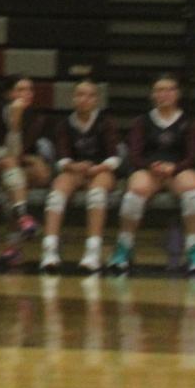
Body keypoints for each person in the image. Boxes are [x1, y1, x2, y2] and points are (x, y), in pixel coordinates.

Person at [110, 73, 195, 276]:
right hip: (150, 169)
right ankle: (124, 247)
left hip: (177, 169)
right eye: (159, 90)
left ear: (177, 93)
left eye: (169, 89)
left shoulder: (187, 122)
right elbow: (134, 154)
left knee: (194, 189)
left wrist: (174, 168)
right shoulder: (142, 122)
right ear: (153, 95)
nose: (164, 94)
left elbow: (193, 155)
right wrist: (151, 166)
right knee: (135, 191)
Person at [39, 79, 121, 274]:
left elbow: (115, 157)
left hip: (100, 170)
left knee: (96, 194)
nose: (84, 99)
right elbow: (61, 158)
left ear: (96, 100)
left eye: (89, 95)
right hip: (74, 171)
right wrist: (75, 166)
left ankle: (92, 252)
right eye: (80, 95)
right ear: (73, 98)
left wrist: (98, 168)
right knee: (56, 194)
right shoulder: (64, 124)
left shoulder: (105, 122)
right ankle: (49, 251)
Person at [0, 76, 52, 265]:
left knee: (16, 182)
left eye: (29, 90)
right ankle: (23, 218)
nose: (26, 94)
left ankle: (14, 246)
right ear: (9, 93)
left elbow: (25, 151)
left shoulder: (37, 117)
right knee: (9, 167)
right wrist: (14, 124)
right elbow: (1, 151)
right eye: (20, 89)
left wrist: (25, 158)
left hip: (18, 172)